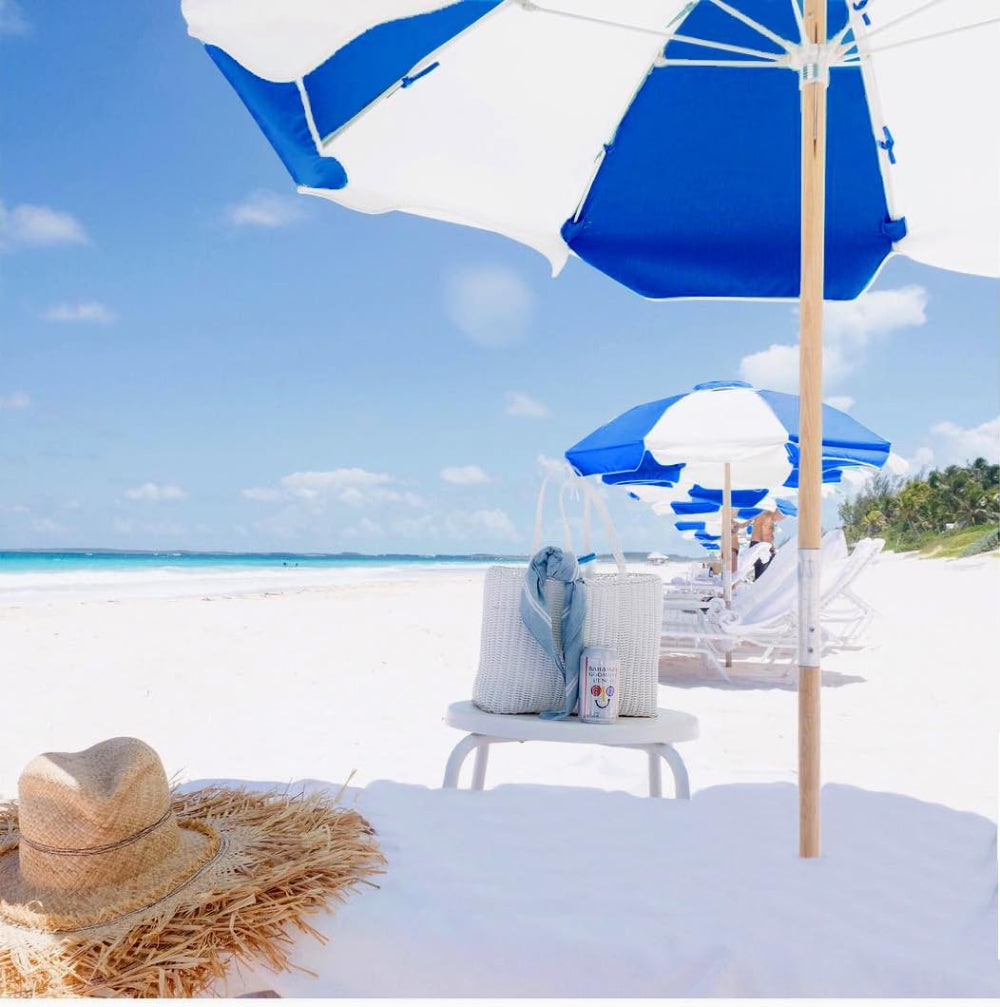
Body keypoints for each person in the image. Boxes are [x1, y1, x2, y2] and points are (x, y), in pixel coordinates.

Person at [748, 508, 787, 579]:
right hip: (760, 545)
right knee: (762, 576)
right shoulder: (767, 514)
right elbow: (765, 534)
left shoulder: (766, 513)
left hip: (763, 545)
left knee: (765, 575)